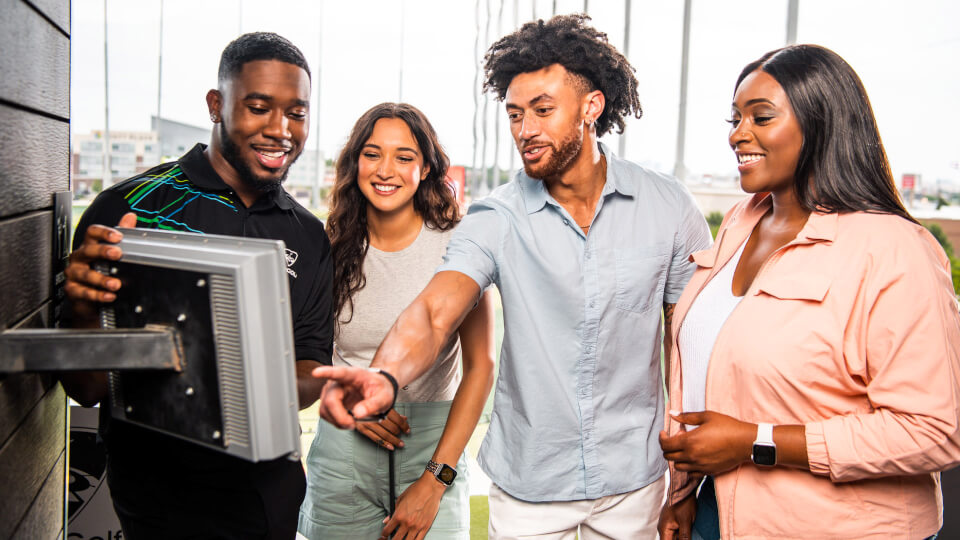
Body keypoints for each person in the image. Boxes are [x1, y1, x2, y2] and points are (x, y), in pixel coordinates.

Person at [314, 14, 712, 539]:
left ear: (591, 107)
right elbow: (436, 312)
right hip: (528, 489)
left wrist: (684, 488)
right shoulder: (495, 217)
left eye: (543, 111)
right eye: (515, 114)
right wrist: (384, 376)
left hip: (634, 485)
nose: (525, 130)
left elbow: (689, 349)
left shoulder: (668, 206)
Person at [657, 44, 960, 540]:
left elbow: (933, 430)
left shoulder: (895, 249)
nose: (738, 134)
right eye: (735, 118)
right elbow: (713, 374)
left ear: (821, 124)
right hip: (722, 516)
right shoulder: (740, 222)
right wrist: (685, 495)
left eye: (761, 117)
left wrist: (757, 443)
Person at [61, 32, 333, 539]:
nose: (281, 129)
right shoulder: (130, 210)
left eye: (297, 113)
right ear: (216, 105)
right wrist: (80, 312)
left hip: (270, 498)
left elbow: (311, 370)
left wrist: (240, 372)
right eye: (258, 107)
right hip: (158, 504)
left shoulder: (308, 233)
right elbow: (86, 387)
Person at [297, 103, 495, 540]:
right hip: (345, 447)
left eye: (404, 157)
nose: (386, 170)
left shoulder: (459, 249)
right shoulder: (327, 248)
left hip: (432, 446)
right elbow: (305, 358)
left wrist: (434, 480)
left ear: (425, 168)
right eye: (372, 154)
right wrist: (344, 398)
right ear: (355, 163)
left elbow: (481, 367)